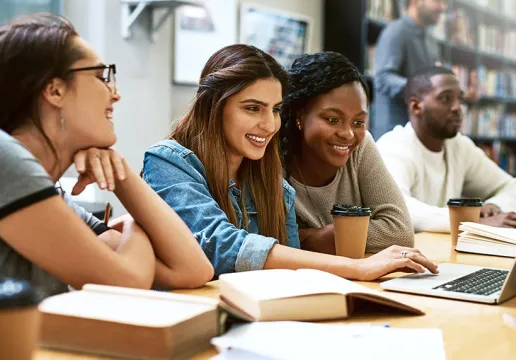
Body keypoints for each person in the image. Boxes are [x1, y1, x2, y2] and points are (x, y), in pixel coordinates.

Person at [143, 44, 438, 280]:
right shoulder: (168, 162)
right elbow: (221, 247)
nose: (269, 124)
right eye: (252, 108)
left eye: (274, 110)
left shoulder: (270, 179)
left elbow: (292, 270)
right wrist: (359, 268)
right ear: (213, 106)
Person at [0, 14, 214, 298]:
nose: (115, 95)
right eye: (101, 77)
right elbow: (127, 281)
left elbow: (193, 269)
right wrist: (135, 223)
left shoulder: (53, 199)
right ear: (55, 90)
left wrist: (122, 175)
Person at [279, 51, 414, 255]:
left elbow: (400, 232)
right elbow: (268, 240)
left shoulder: (361, 146)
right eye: (333, 119)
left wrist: (316, 236)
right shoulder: (273, 155)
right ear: (300, 115)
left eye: (358, 122)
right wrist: (314, 239)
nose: (348, 134)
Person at [376, 66, 516, 233]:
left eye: (460, 99)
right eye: (445, 98)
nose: (458, 108)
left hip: (443, 251)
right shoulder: (393, 146)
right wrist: (474, 222)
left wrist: (494, 206)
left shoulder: (459, 146)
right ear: (415, 106)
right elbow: (398, 209)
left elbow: (515, 188)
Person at [373, 0, 447, 138]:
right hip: (394, 136)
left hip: (422, 135)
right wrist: (421, 87)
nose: (443, 7)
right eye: (437, 1)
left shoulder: (432, 42)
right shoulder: (395, 32)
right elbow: (383, 79)